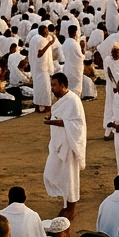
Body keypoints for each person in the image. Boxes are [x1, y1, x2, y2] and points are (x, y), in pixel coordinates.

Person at [44, 71, 87, 221]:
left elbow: (76, 123)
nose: (52, 88)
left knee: (70, 177)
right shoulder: (63, 100)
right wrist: (52, 118)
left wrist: (52, 122)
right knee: (52, 173)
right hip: (59, 144)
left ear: (63, 85)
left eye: (54, 85)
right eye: (51, 85)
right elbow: (63, 117)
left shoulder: (73, 100)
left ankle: (71, 209)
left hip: (70, 144)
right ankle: (66, 204)